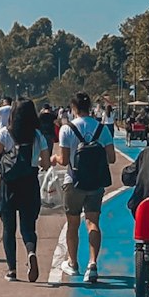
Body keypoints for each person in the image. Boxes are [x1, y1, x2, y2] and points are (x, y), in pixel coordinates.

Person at [56, 91, 116, 285]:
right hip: (95, 183)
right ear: (89, 107)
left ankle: (73, 263)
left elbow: (64, 159)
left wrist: (54, 158)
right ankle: (93, 264)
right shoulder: (102, 129)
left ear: (73, 108)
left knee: (73, 223)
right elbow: (112, 158)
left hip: (73, 181)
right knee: (93, 222)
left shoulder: (67, 129)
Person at [0, 98, 50, 281]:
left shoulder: (5, 133)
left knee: (8, 228)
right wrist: (35, 164)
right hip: (30, 183)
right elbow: (46, 163)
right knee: (28, 226)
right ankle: (31, 251)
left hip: (8, 185)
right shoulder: (37, 135)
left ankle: (12, 270)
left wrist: (5, 170)